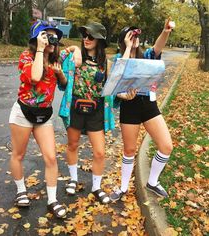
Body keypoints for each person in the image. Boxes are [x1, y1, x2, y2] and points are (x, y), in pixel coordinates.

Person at [9, 20, 80, 218]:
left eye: (54, 36)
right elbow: (34, 77)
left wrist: (61, 73)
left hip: (44, 114)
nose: (52, 40)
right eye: (47, 35)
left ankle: (52, 200)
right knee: (18, 154)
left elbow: (64, 84)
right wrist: (41, 50)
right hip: (23, 112)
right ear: (37, 37)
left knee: (50, 157)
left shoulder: (57, 57)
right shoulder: (27, 57)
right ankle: (21, 190)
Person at [110, 19, 174, 201]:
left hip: (148, 105)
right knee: (129, 150)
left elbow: (157, 48)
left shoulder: (146, 56)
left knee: (166, 146)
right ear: (123, 40)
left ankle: (152, 182)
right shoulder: (118, 59)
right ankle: (123, 187)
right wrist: (128, 47)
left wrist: (165, 31)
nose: (134, 37)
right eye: (130, 35)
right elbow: (115, 84)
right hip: (129, 107)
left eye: (135, 34)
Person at [59, 22, 116, 204]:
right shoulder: (74, 56)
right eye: (84, 35)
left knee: (99, 152)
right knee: (73, 145)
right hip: (75, 107)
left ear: (99, 40)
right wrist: (74, 48)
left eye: (90, 36)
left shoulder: (105, 63)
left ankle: (96, 187)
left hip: (96, 110)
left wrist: (125, 94)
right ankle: (73, 179)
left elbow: (110, 89)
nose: (86, 39)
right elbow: (58, 59)